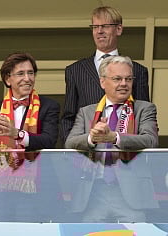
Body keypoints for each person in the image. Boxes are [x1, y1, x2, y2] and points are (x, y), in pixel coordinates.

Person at [65, 55, 159, 222]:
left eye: (128, 79)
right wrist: (92, 138)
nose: (124, 83)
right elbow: (70, 142)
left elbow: (150, 140)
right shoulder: (87, 112)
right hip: (93, 192)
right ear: (103, 82)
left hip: (131, 193)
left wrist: (114, 137)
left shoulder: (144, 108)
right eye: (117, 78)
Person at [0, 52, 60, 221]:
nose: (27, 78)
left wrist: (17, 134)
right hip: (0, 191)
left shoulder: (49, 106)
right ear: (7, 79)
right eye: (20, 74)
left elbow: (49, 141)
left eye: (31, 73)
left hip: (37, 188)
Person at [60, 6, 150, 144]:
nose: (99, 31)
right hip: (88, 155)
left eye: (105, 26)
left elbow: (143, 117)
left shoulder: (138, 70)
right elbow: (68, 118)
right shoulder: (75, 70)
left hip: (126, 153)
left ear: (119, 29)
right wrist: (74, 153)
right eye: (95, 27)